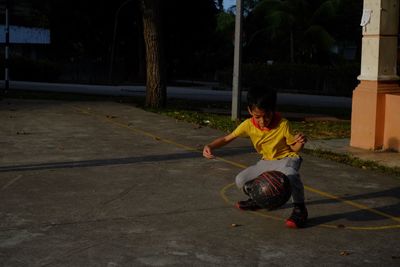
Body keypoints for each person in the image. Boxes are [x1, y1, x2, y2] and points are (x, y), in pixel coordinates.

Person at [202, 86, 308, 228]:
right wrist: (210, 146)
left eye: (267, 115)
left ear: (273, 110)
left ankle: (300, 209)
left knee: (292, 175)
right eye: (257, 116)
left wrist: (300, 144)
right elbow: (227, 138)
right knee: (240, 180)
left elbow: (293, 147)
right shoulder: (247, 125)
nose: (263, 121)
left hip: (286, 159)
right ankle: (259, 200)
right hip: (266, 161)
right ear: (250, 111)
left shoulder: (283, 124)